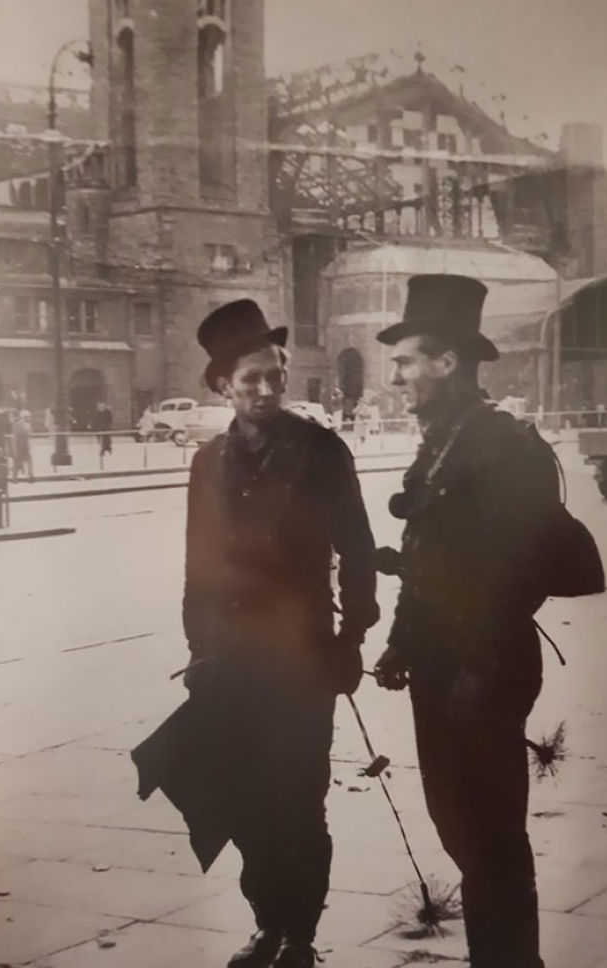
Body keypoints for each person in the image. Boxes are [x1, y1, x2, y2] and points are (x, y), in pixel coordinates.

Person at [182, 299, 379, 968]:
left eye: (274, 376)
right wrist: (198, 649)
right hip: (231, 662)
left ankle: (300, 935)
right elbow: (197, 564)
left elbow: (356, 546)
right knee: (243, 799)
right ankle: (266, 923)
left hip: (302, 659)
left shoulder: (321, 450)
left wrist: (352, 635)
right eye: (249, 380)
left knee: (299, 801)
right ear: (221, 387)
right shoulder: (208, 463)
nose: (266, 390)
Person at [373, 274, 553, 968]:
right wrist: (399, 641)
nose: (397, 376)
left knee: (492, 838)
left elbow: (522, 574)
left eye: (406, 360)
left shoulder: (499, 445)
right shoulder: (443, 440)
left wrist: (477, 669)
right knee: (462, 830)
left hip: (484, 671)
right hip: (441, 669)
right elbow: (428, 555)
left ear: (448, 362)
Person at [11, 410, 33, 482]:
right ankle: (15, 478)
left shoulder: (27, 425)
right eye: (27, 417)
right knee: (17, 462)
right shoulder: (17, 425)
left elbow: (29, 435)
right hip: (19, 445)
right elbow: (14, 436)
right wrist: (14, 447)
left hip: (25, 445)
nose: (28, 419)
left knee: (28, 461)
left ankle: (30, 476)